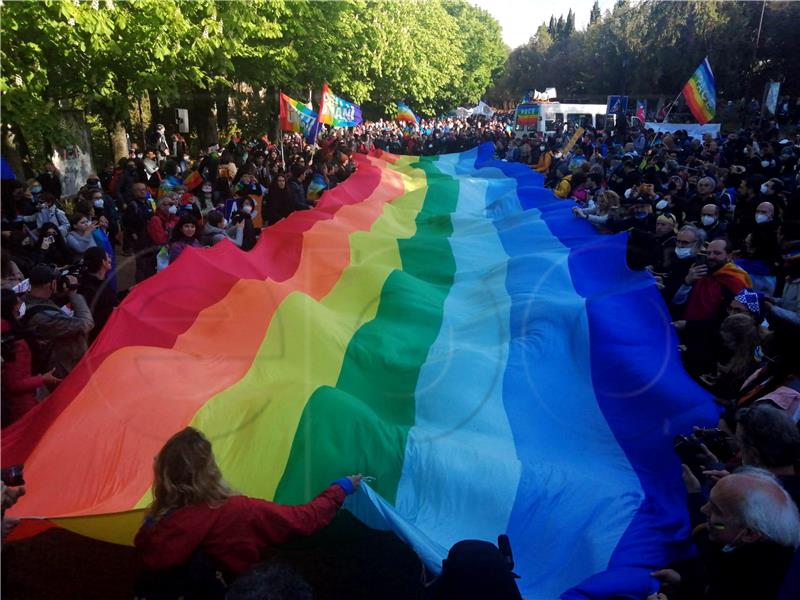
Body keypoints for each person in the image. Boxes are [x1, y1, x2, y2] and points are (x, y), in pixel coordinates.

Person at [134, 427, 362, 579]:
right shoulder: (234, 511)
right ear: (208, 471)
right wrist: (340, 488)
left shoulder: (155, 520)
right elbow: (302, 520)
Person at [651, 469, 800, 600]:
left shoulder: (762, 588)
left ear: (749, 533)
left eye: (716, 509)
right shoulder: (737, 545)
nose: (703, 509)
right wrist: (686, 581)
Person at [20, 264, 94, 378]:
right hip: (61, 371)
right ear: (51, 284)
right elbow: (86, 323)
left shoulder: (24, 301)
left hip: (58, 364)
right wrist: (73, 294)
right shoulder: (43, 317)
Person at [1, 288, 61, 425]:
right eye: (17, 302)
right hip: (20, 407)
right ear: (12, 308)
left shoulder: (8, 337)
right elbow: (14, 384)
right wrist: (43, 379)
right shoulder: (14, 342)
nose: (20, 304)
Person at [673, 238, 752, 322]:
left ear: (729, 256)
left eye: (717, 253)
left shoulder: (736, 280)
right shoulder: (701, 272)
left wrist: (690, 326)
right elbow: (677, 301)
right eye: (708, 253)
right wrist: (687, 281)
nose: (711, 257)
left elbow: (731, 319)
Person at [77, 247, 116, 343]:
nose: (110, 259)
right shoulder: (91, 289)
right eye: (108, 257)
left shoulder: (91, 281)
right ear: (103, 262)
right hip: (98, 337)